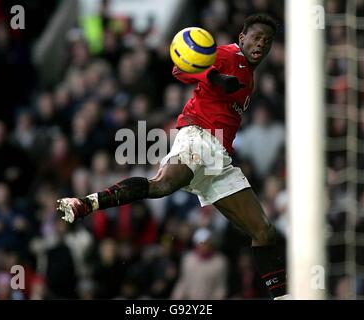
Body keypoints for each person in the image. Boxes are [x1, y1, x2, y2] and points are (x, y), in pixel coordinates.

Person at [56, 14, 288, 299]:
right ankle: (86, 204)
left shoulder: (250, 77)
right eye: (256, 38)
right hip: (201, 136)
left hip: (219, 157)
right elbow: (181, 69)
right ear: (242, 38)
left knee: (264, 232)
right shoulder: (228, 54)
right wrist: (215, 76)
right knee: (162, 185)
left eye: (267, 41)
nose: (261, 44)